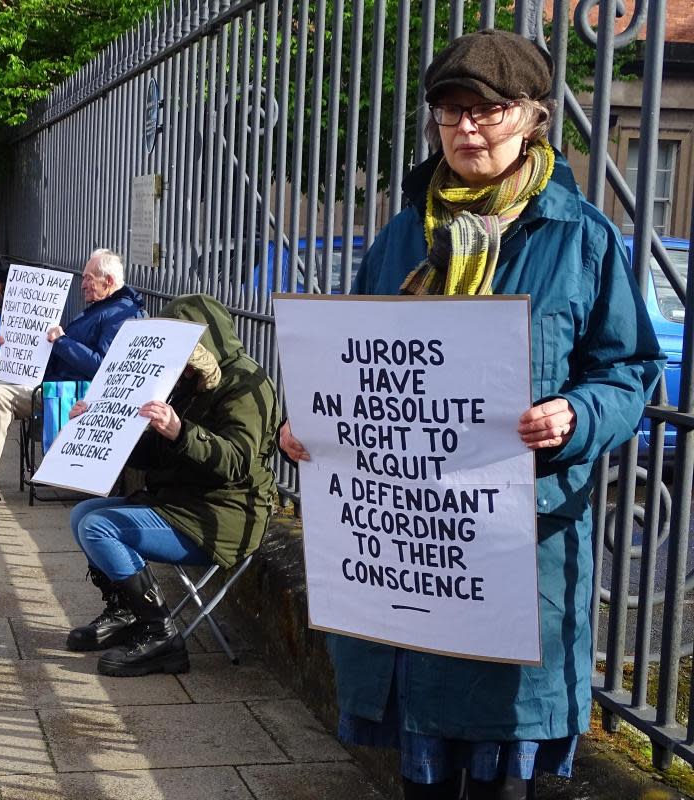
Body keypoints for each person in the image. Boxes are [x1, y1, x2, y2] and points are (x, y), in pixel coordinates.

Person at [277, 29, 664, 800]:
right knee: (420, 763)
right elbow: (355, 363)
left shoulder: (577, 237)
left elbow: (628, 371)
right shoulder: (399, 236)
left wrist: (576, 416)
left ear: (532, 119)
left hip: (520, 541)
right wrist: (310, 426)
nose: (467, 128)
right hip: (410, 543)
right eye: (450, 111)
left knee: (499, 770)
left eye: (489, 111)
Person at [66, 293, 278, 678]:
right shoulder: (189, 381)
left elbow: (235, 463)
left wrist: (180, 430)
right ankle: (127, 611)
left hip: (224, 514)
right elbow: (157, 457)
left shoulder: (247, 386)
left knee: (100, 527)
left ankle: (162, 636)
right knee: (82, 514)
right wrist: (105, 425)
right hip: (183, 501)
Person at [0, 248, 145, 506]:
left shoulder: (120, 313)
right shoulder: (103, 308)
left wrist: (62, 341)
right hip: (57, 385)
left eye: (88, 278)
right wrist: (17, 346)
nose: (82, 284)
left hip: (75, 395)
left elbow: (102, 367)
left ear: (109, 281)